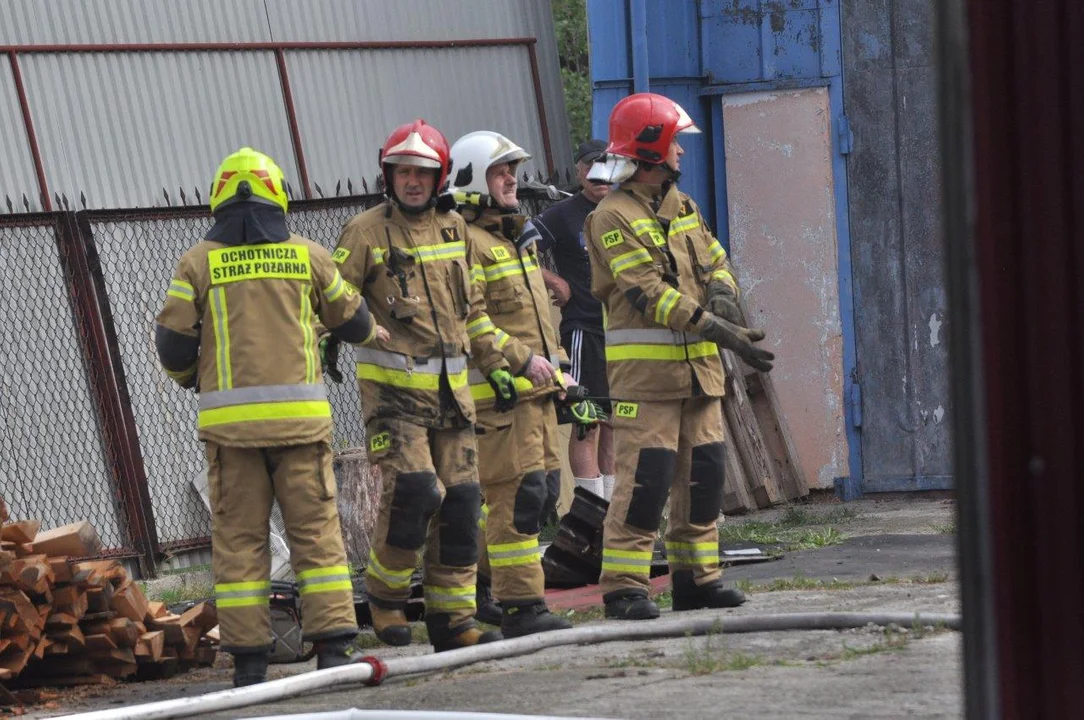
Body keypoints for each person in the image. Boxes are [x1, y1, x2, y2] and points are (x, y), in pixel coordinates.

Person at [155, 147, 384, 686]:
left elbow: (171, 345)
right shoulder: (307, 255)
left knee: (239, 542)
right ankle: (333, 652)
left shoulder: (197, 262)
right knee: (317, 536)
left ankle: (250, 664)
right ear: (277, 194)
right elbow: (353, 321)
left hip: (231, 436)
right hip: (301, 432)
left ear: (218, 200)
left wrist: (196, 378)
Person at [584, 93, 775, 620]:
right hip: (646, 382)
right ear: (652, 148)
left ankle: (697, 580)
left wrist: (723, 293)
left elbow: (716, 258)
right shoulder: (609, 216)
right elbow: (648, 293)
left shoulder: (682, 206)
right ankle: (624, 587)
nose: (682, 155)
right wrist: (721, 329)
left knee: (703, 479)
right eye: (676, 144)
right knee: (645, 482)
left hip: (699, 375)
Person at [331, 120, 507, 652]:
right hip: (394, 398)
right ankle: (384, 597)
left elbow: (473, 309)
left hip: (454, 397)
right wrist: (327, 333)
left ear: (440, 178)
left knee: (460, 501)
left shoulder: (456, 230)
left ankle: (452, 619)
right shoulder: (364, 231)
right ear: (389, 175)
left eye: (423, 173)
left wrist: (495, 361)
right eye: (404, 171)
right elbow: (331, 295)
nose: (413, 181)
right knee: (416, 491)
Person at [448, 130, 598, 637]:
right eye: (499, 171)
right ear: (472, 179)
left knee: (540, 491)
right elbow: (471, 322)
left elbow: (534, 318)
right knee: (519, 497)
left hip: (534, 390)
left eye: (512, 169)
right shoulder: (465, 242)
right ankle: (522, 605)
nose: (512, 179)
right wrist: (523, 360)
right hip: (498, 396)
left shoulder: (513, 240)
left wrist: (560, 368)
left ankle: (477, 588)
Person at [533, 138, 616, 503]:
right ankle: (590, 517)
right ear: (579, 172)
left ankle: (614, 515)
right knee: (588, 421)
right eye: (590, 166)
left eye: (605, 164)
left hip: (625, 334)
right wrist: (554, 281)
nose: (598, 173)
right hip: (584, 329)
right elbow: (515, 250)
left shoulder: (628, 210)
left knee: (617, 422)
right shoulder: (562, 214)